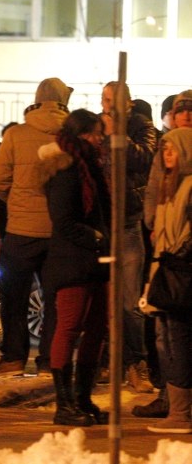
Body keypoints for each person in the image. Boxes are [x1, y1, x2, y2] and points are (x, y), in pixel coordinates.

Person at [0, 78, 72, 377]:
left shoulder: (15, 135)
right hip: (59, 233)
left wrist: (15, 199)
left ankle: (13, 358)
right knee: (55, 302)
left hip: (20, 232)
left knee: (13, 298)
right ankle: (49, 361)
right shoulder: (70, 136)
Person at [36, 109, 111, 427]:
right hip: (72, 261)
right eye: (95, 133)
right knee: (68, 328)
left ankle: (82, 398)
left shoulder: (90, 166)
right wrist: (95, 237)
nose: (100, 138)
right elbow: (64, 220)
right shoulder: (66, 169)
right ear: (80, 135)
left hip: (95, 260)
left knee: (96, 330)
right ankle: (64, 404)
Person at [97, 82, 157, 393]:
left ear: (128, 103)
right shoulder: (96, 124)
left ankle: (137, 364)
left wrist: (115, 135)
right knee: (103, 299)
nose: (108, 105)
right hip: (102, 224)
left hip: (129, 223)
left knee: (129, 302)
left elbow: (144, 159)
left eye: (114, 100)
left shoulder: (141, 127)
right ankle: (107, 363)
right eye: (105, 100)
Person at [143, 127, 192, 433]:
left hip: (180, 272)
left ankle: (181, 413)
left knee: (179, 341)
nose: (167, 154)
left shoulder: (189, 186)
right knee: (169, 340)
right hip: (166, 271)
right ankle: (179, 409)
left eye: (173, 149)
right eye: (164, 149)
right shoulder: (168, 185)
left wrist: (180, 255)